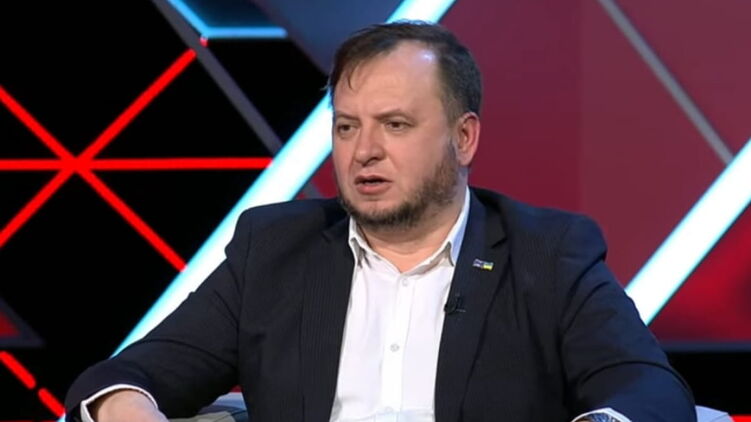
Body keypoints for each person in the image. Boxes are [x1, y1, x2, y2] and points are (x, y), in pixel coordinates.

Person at [64, 21, 696, 422]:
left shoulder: (546, 253)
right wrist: (128, 409)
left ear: (463, 138)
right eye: (346, 127)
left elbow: (650, 391)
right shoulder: (276, 250)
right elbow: (125, 376)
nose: (363, 150)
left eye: (394, 125)